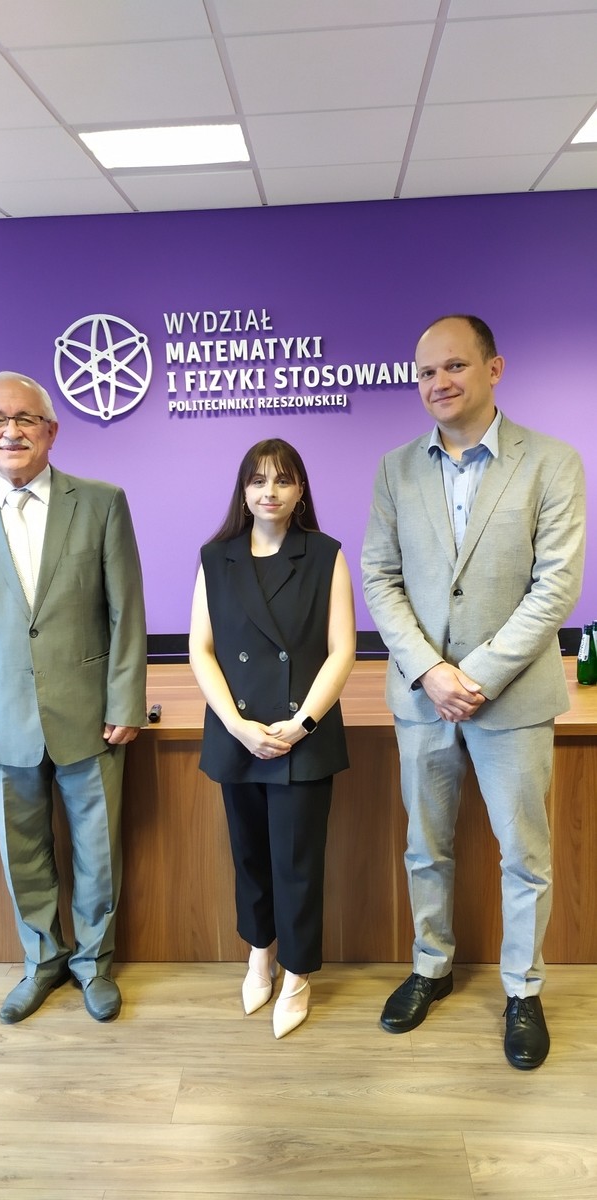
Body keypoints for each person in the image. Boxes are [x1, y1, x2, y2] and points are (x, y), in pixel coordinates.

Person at [361, 315, 586, 1069]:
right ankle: (431, 967)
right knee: (425, 846)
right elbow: (379, 577)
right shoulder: (395, 469)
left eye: (454, 366)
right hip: (421, 697)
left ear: (494, 369)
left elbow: (555, 586)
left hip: (512, 699)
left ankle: (522, 989)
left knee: (524, 853)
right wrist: (430, 671)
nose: (438, 383)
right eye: (425, 372)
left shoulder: (551, 462)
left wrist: (478, 675)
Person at [0, 372, 147, 1024]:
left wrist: (125, 702)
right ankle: (43, 960)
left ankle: (93, 964)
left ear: (51, 430)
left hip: (91, 716)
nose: (11, 431)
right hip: (2, 723)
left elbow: (126, 613)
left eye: (25, 418)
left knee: (97, 852)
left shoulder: (102, 502)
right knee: (21, 854)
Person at [189, 438, 355, 1038]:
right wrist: (237, 725)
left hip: (301, 733)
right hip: (238, 732)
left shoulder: (326, 554)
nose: (270, 491)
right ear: (243, 490)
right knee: (251, 857)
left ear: (300, 490)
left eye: (283, 480)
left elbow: (342, 650)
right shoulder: (216, 557)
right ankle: (259, 953)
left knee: (298, 863)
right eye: (258, 480)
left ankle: (298, 973)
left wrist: (303, 722)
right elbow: (200, 649)